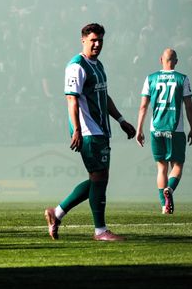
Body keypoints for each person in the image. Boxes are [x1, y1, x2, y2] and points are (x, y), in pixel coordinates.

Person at [44, 23, 136, 242]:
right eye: (93, 40)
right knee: (99, 178)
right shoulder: (76, 66)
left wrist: (121, 120)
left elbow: (104, 96)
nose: (97, 44)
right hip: (88, 130)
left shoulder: (98, 65)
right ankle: (100, 231)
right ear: (83, 40)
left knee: (99, 178)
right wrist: (76, 130)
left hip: (101, 129)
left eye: (100, 40)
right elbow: (71, 99)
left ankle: (57, 213)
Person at [135, 47, 192, 215]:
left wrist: (139, 129)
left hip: (156, 128)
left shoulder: (150, 78)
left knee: (161, 168)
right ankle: (169, 189)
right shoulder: (182, 79)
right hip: (175, 129)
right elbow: (189, 106)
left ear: (160, 59)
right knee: (177, 165)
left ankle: (164, 206)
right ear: (176, 61)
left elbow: (143, 106)